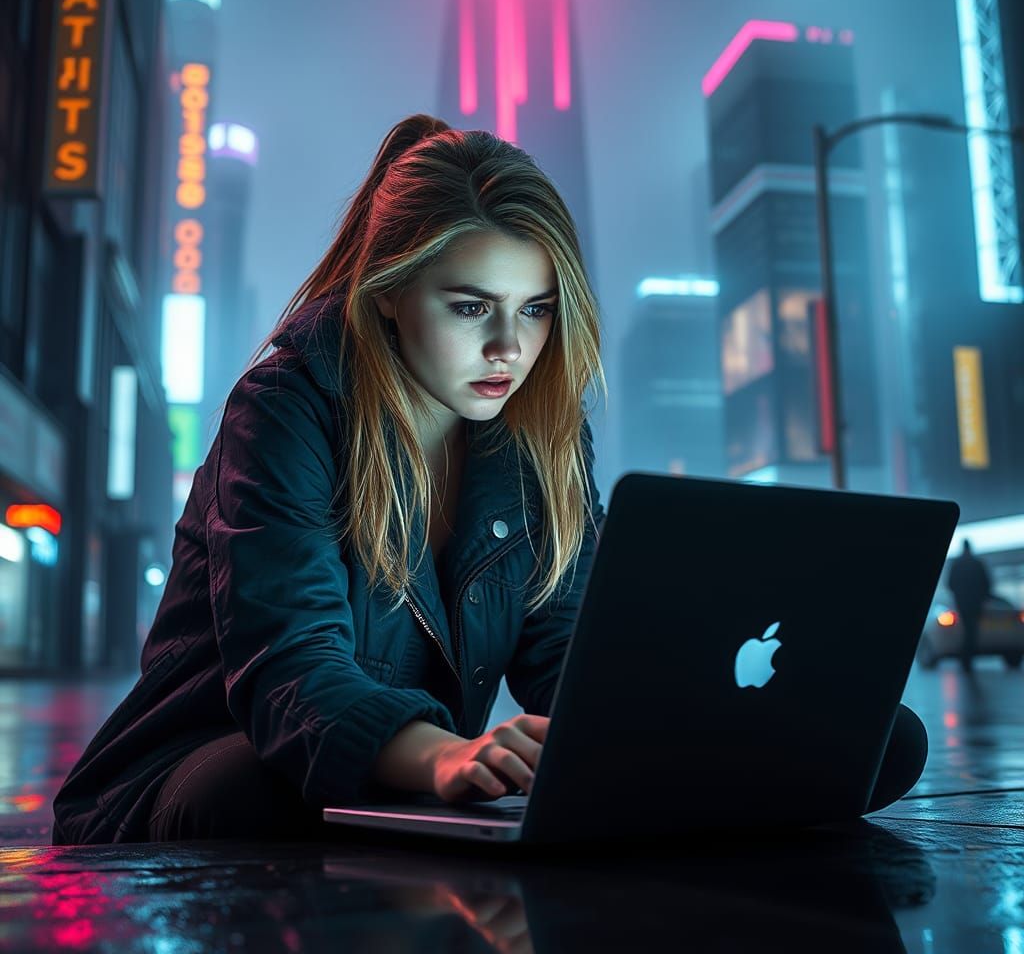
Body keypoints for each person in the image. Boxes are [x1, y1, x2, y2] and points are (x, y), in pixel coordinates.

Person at [50, 114, 928, 844]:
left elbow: (570, 651)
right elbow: (291, 673)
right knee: (267, 787)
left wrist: (702, 716)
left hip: (402, 775)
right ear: (389, 292)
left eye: (535, 309)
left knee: (879, 741)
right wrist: (441, 756)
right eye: (471, 306)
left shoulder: (539, 435)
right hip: (203, 772)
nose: (509, 346)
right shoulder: (287, 407)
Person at [947, 539, 991, 673]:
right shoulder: (977, 563)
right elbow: (986, 583)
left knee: (966, 629)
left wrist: (958, 596)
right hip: (976, 603)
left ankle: (965, 659)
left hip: (962, 602)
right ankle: (968, 658)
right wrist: (982, 597)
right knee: (972, 630)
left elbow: (950, 583)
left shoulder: (957, 564)